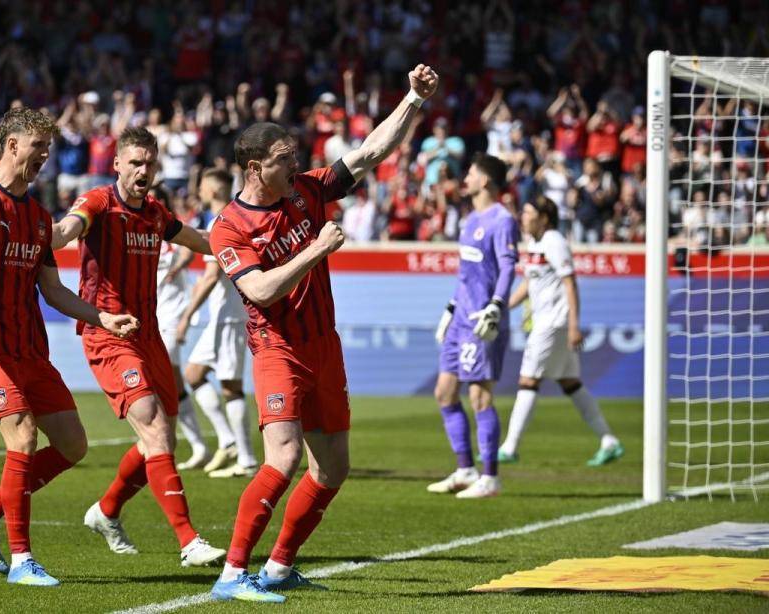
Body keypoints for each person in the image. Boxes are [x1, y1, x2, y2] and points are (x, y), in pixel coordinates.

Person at [207, 64, 439, 603]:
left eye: (294, 155)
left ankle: (279, 566)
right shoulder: (229, 227)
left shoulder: (307, 191)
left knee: (333, 466)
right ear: (254, 168)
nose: (295, 164)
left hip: (324, 348)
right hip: (278, 351)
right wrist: (316, 250)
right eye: (283, 158)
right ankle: (232, 574)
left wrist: (412, 99)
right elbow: (260, 290)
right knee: (283, 458)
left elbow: (370, 152)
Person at [0, 106, 138, 587]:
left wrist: (103, 318)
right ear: (11, 146)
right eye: (37, 146)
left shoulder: (40, 218)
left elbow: (54, 291)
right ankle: (23, 561)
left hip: (28, 349)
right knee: (23, 437)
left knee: (72, 444)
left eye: (48, 147)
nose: (45, 155)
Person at [51, 127, 227, 568]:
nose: (142, 170)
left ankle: (106, 511)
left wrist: (248, 247)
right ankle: (189, 541)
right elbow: (68, 228)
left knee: (159, 440)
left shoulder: (155, 213)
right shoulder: (97, 203)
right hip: (109, 333)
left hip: (149, 336)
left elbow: (198, 240)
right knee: (153, 427)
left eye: (149, 163)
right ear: (117, 164)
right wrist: (44, 234)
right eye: (134, 162)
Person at [501, 196, 624, 465]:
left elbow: (570, 283)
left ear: (544, 218)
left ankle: (509, 447)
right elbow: (528, 283)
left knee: (528, 380)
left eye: (529, 212)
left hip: (553, 323)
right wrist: (502, 306)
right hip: (547, 322)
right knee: (571, 383)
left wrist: (574, 326)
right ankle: (609, 440)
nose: (523, 217)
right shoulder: (534, 243)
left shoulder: (554, 242)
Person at [429, 153, 518, 499]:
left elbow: (508, 267)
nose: (465, 179)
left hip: (483, 321)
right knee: (445, 392)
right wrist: (451, 308)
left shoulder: (502, 220)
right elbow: (466, 273)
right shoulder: (469, 220)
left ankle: (490, 477)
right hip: (460, 318)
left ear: (485, 180)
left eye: (470, 173)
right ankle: (466, 469)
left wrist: (496, 305)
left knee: (480, 395)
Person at [176, 168, 257, 478]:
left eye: (201, 186)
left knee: (230, 387)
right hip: (225, 316)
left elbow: (212, 276)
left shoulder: (220, 223)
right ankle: (228, 441)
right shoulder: (238, 217)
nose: (198, 191)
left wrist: (186, 316)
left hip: (230, 317)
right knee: (193, 374)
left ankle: (246, 459)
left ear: (209, 190)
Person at [153, 190, 210, 472]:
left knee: (167, 375)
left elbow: (188, 250)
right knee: (171, 382)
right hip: (151, 316)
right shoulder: (140, 234)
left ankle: (179, 443)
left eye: (156, 199)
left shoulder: (173, 231)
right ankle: (201, 445)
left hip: (174, 314)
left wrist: (178, 265)